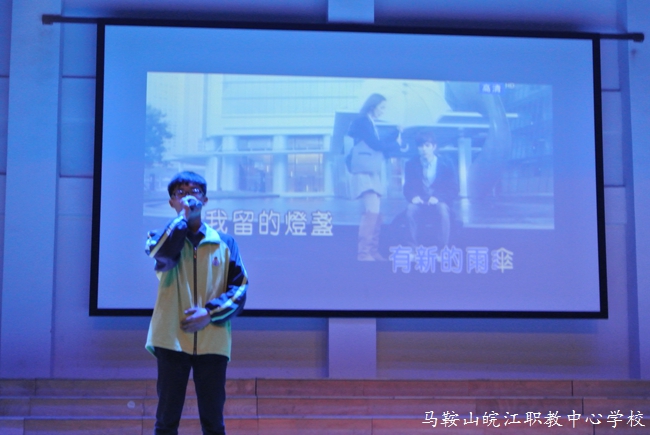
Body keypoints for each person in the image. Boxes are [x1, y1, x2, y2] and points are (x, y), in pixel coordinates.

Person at [144, 171, 248, 435]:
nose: (188, 198)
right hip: (171, 338)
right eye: (180, 193)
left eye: (194, 192)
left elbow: (239, 289)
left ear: (205, 200)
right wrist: (182, 219)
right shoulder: (160, 237)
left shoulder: (224, 242)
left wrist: (209, 313)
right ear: (171, 202)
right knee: (166, 421)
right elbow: (161, 254)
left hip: (212, 339)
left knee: (213, 423)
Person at [347, 93, 401, 261]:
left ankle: (372, 250)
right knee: (372, 211)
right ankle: (364, 253)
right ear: (373, 106)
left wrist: (395, 132)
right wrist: (395, 141)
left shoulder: (369, 122)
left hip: (371, 171)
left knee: (376, 212)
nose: (383, 111)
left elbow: (377, 143)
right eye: (382, 107)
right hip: (364, 172)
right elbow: (376, 145)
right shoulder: (362, 122)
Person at [403, 133, 459, 247]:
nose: (424, 149)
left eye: (427, 145)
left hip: (440, 201)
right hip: (420, 201)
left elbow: (454, 188)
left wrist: (438, 198)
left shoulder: (446, 163)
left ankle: (442, 248)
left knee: (442, 210)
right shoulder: (411, 164)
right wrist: (413, 197)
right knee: (410, 210)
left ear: (434, 147)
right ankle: (412, 248)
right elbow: (407, 187)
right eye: (420, 146)